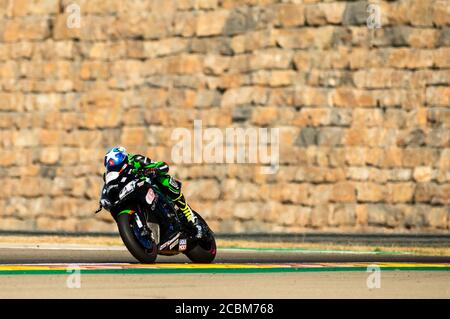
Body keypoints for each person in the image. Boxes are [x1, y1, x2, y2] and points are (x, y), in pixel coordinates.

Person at [103, 146, 204, 239]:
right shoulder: (110, 175)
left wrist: (153, 170)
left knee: (164, 180)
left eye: (113, 160)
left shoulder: (135, 160)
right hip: (133, 194)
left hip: (149, 186)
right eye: (109, 163)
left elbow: (160, 165)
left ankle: (191, 217)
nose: (112, 164)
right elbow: (105, 189)